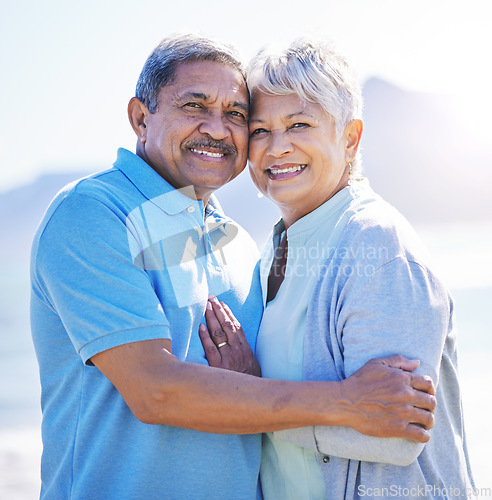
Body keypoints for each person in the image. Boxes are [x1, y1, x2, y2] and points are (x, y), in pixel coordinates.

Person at [30, 34, 436, 500]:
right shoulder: (92, 212)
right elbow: (154, 390)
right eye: (194, 106)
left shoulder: (243, 245)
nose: (218, 129)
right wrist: (345, 402)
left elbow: (263, 399)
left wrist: (259, 385)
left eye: (237, 116)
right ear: (141, 118)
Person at [201, 38, 475, 498]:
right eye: (261, 130)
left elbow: (394, 432)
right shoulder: (277, 248)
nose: (277, 148)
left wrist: (249, 397)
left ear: (350, 138)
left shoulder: (376, 245)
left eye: (299, 124)